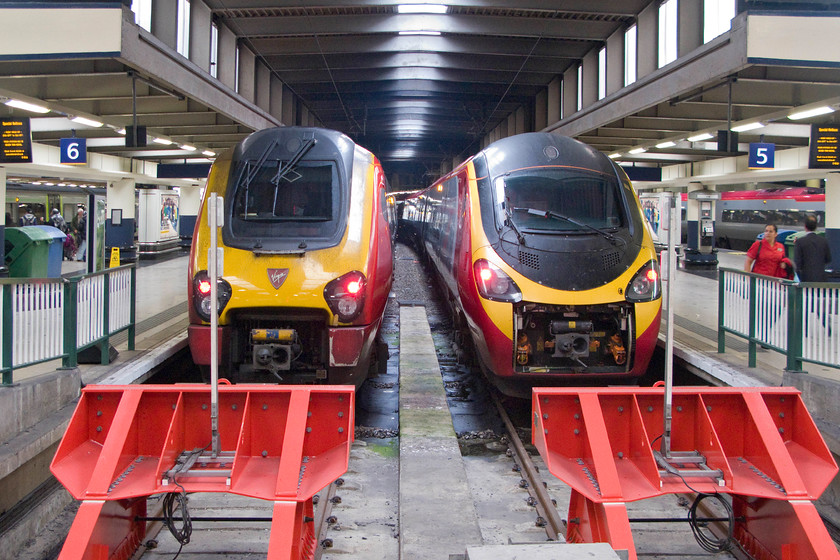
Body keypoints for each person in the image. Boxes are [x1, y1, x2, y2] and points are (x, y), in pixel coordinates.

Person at [794, 215, 832, 283]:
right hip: (821, 278)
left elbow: (797, 263)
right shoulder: (823, 241)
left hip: (805, 279)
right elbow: (828, 259)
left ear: (805, 226)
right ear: (816, 227)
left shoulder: (800, 241)